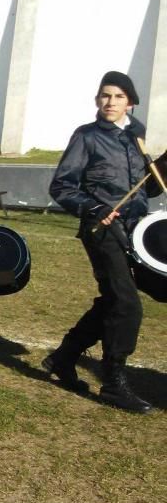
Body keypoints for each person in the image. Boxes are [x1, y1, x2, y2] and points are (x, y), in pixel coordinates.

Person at [46, 71, 162, 414]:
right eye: (104, 95)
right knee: (126, 304)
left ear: (131, 101)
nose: (109, 102)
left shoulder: (138, 135)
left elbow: (148, 187)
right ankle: (114, 383)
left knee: (115, 299)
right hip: (101, 230)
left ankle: (64, 357)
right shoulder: (87, 137)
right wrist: (95, 208)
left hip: (136, 230)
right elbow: (62, 186)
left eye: (117, 96)